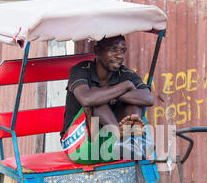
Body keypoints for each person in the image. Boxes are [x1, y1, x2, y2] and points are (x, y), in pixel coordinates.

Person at [60, 35, 154, 164]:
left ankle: (132, 140)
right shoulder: (81, 70)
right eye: (113, 49)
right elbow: (87, 99)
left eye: (122, 51)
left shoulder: (125, 74)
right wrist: (125, 86)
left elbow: (148, 99)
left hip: (115, 148)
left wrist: (111, 94)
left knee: (134, 100)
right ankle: (122, 138)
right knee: (95, 100)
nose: (119, 56)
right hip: (80, 147)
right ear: (97, 51)